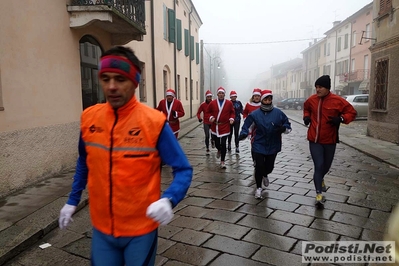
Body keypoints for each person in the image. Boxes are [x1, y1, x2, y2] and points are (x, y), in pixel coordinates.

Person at [58, 46, 193, 266]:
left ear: (134, 82)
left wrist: (169, 199)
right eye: (105, 78)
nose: (111, 87)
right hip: (102, 229)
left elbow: (183, 169)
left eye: (120, 79)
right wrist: (73, 200)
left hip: (141, 230)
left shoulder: (154, 123)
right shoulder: (89, 118)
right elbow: (85, 161)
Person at [303, 75, 356, 209]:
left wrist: (341, 119)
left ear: (327, 88)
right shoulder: (312, 100)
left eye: (320, 87)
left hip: (330, 140)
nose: (317, 90)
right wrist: (307, 117)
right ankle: (318, 195)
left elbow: (352, 112)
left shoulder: (337, 101)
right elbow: (306, 108)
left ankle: (320, 180)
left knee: (326, 166)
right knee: (319, 165)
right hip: (314, 139)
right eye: (316, 87)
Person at [239, 89, 291, 199]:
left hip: (273, 144)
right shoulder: (255, 114)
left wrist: (283, 129)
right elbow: (247, 126)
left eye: (269, 99)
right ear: (262, 100)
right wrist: (243, 134)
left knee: (269, 167)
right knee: (259, 166)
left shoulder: (278, 113)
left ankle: (265, 174)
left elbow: (287, 125)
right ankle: (258, 188)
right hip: (259, 143)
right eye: (265, 99)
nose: (267, 101)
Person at [206, 87, 235, 169]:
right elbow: (207, 112)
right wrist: (211, 117)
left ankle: (223, 161)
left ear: (224, 94)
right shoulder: (213, 103)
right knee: (217, 143)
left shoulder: (229, 103)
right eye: (220, 93)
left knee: (223, 143)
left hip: (225, 125)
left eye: (222, 93)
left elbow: (232, 112)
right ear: (217, 94)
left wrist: (231, 118)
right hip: (215, 126)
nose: (221, 95)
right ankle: (219, 149)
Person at [196, 90, 214, 155]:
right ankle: (207, 148)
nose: (209, 98)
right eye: (208, 97)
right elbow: (198, 113)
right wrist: (199, 118)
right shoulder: (203, 105)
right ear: (206, 97)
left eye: (210, 97)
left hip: (213, 122)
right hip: (206, 122)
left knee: (213, 135)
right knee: (207, 135)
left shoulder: (214, 103)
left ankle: (213, 141)